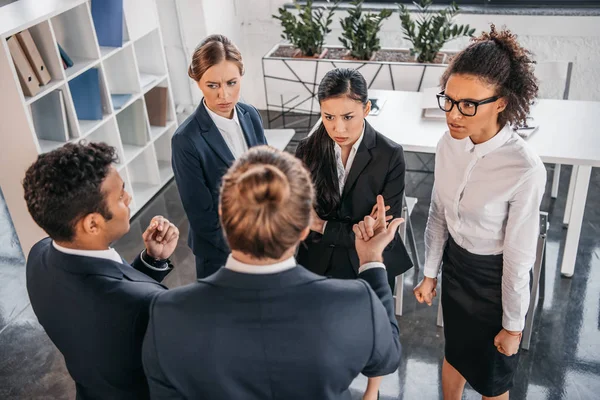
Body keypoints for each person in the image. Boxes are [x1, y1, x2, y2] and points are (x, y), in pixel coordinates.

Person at [142, 146, 403, 399]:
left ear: (223, 217)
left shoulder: (168, 313)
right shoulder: (353, 303)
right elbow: (387, 358)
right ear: (304, 227)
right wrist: (371, 261)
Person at [413, 25, 546, 400]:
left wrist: (513, 326)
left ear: (501, 102)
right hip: (457, 270)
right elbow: (439, 212)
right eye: (449, 100)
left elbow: (519, 260)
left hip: (495, 284)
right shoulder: (448, 143)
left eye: (468, 104)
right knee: (454, 353)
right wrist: (429, 272)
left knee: (492, 381)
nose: (453, 115)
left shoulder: (524, 169)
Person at [24, 142, 179, 400]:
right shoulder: (144, 305)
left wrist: (152, 260)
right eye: (120, 196)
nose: (128, 198)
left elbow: (107, 308)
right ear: (93, 224)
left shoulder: (38, 256)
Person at [295, 68, 412, 399]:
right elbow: (301, 218)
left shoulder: (390, 154)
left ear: (367, 108)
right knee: (319, 332)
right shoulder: (307, 150)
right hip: (317, 259)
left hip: (366, 261)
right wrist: (337, 229)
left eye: (347, 116)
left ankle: (372, 390)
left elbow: (377, 236)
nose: (338, 128)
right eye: (328, 117)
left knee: (373, 328)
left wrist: (322, 225)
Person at [172, 34, 267, 279]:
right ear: (197, 82)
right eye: (212, 85)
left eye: (231, 83)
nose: (223, 95)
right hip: (220, 254)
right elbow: (202, 217)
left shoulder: (250, 114)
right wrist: (248, 252)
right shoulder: (186, 140)